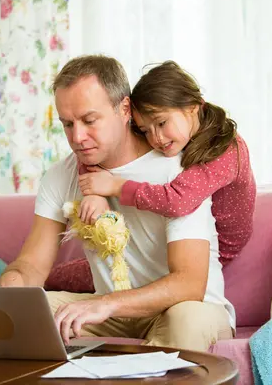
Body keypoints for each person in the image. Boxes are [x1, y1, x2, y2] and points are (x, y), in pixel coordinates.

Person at [0, 55, 235, 351]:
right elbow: (32, 263)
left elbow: (189, 282)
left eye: (89, 120)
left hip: (188, 306)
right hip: (114, 311)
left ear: (124, 109)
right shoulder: (60, 176)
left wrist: (107, 304)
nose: (77, 137)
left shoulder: (180, 169)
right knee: (24, 311)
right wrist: (12, 285)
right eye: (67, 124)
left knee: (187, 319)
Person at [77, 61, 256, 266]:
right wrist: (95, 194)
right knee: (71, 274)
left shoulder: (227, 147)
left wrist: (115, 186)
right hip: (163, 240)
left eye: (162, 123)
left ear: (192, 107)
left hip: (212, 251)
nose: (157, 138)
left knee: (88, 273)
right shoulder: (177, 134)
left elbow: (179, 201)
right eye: (146, 130)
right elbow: (97, 149)